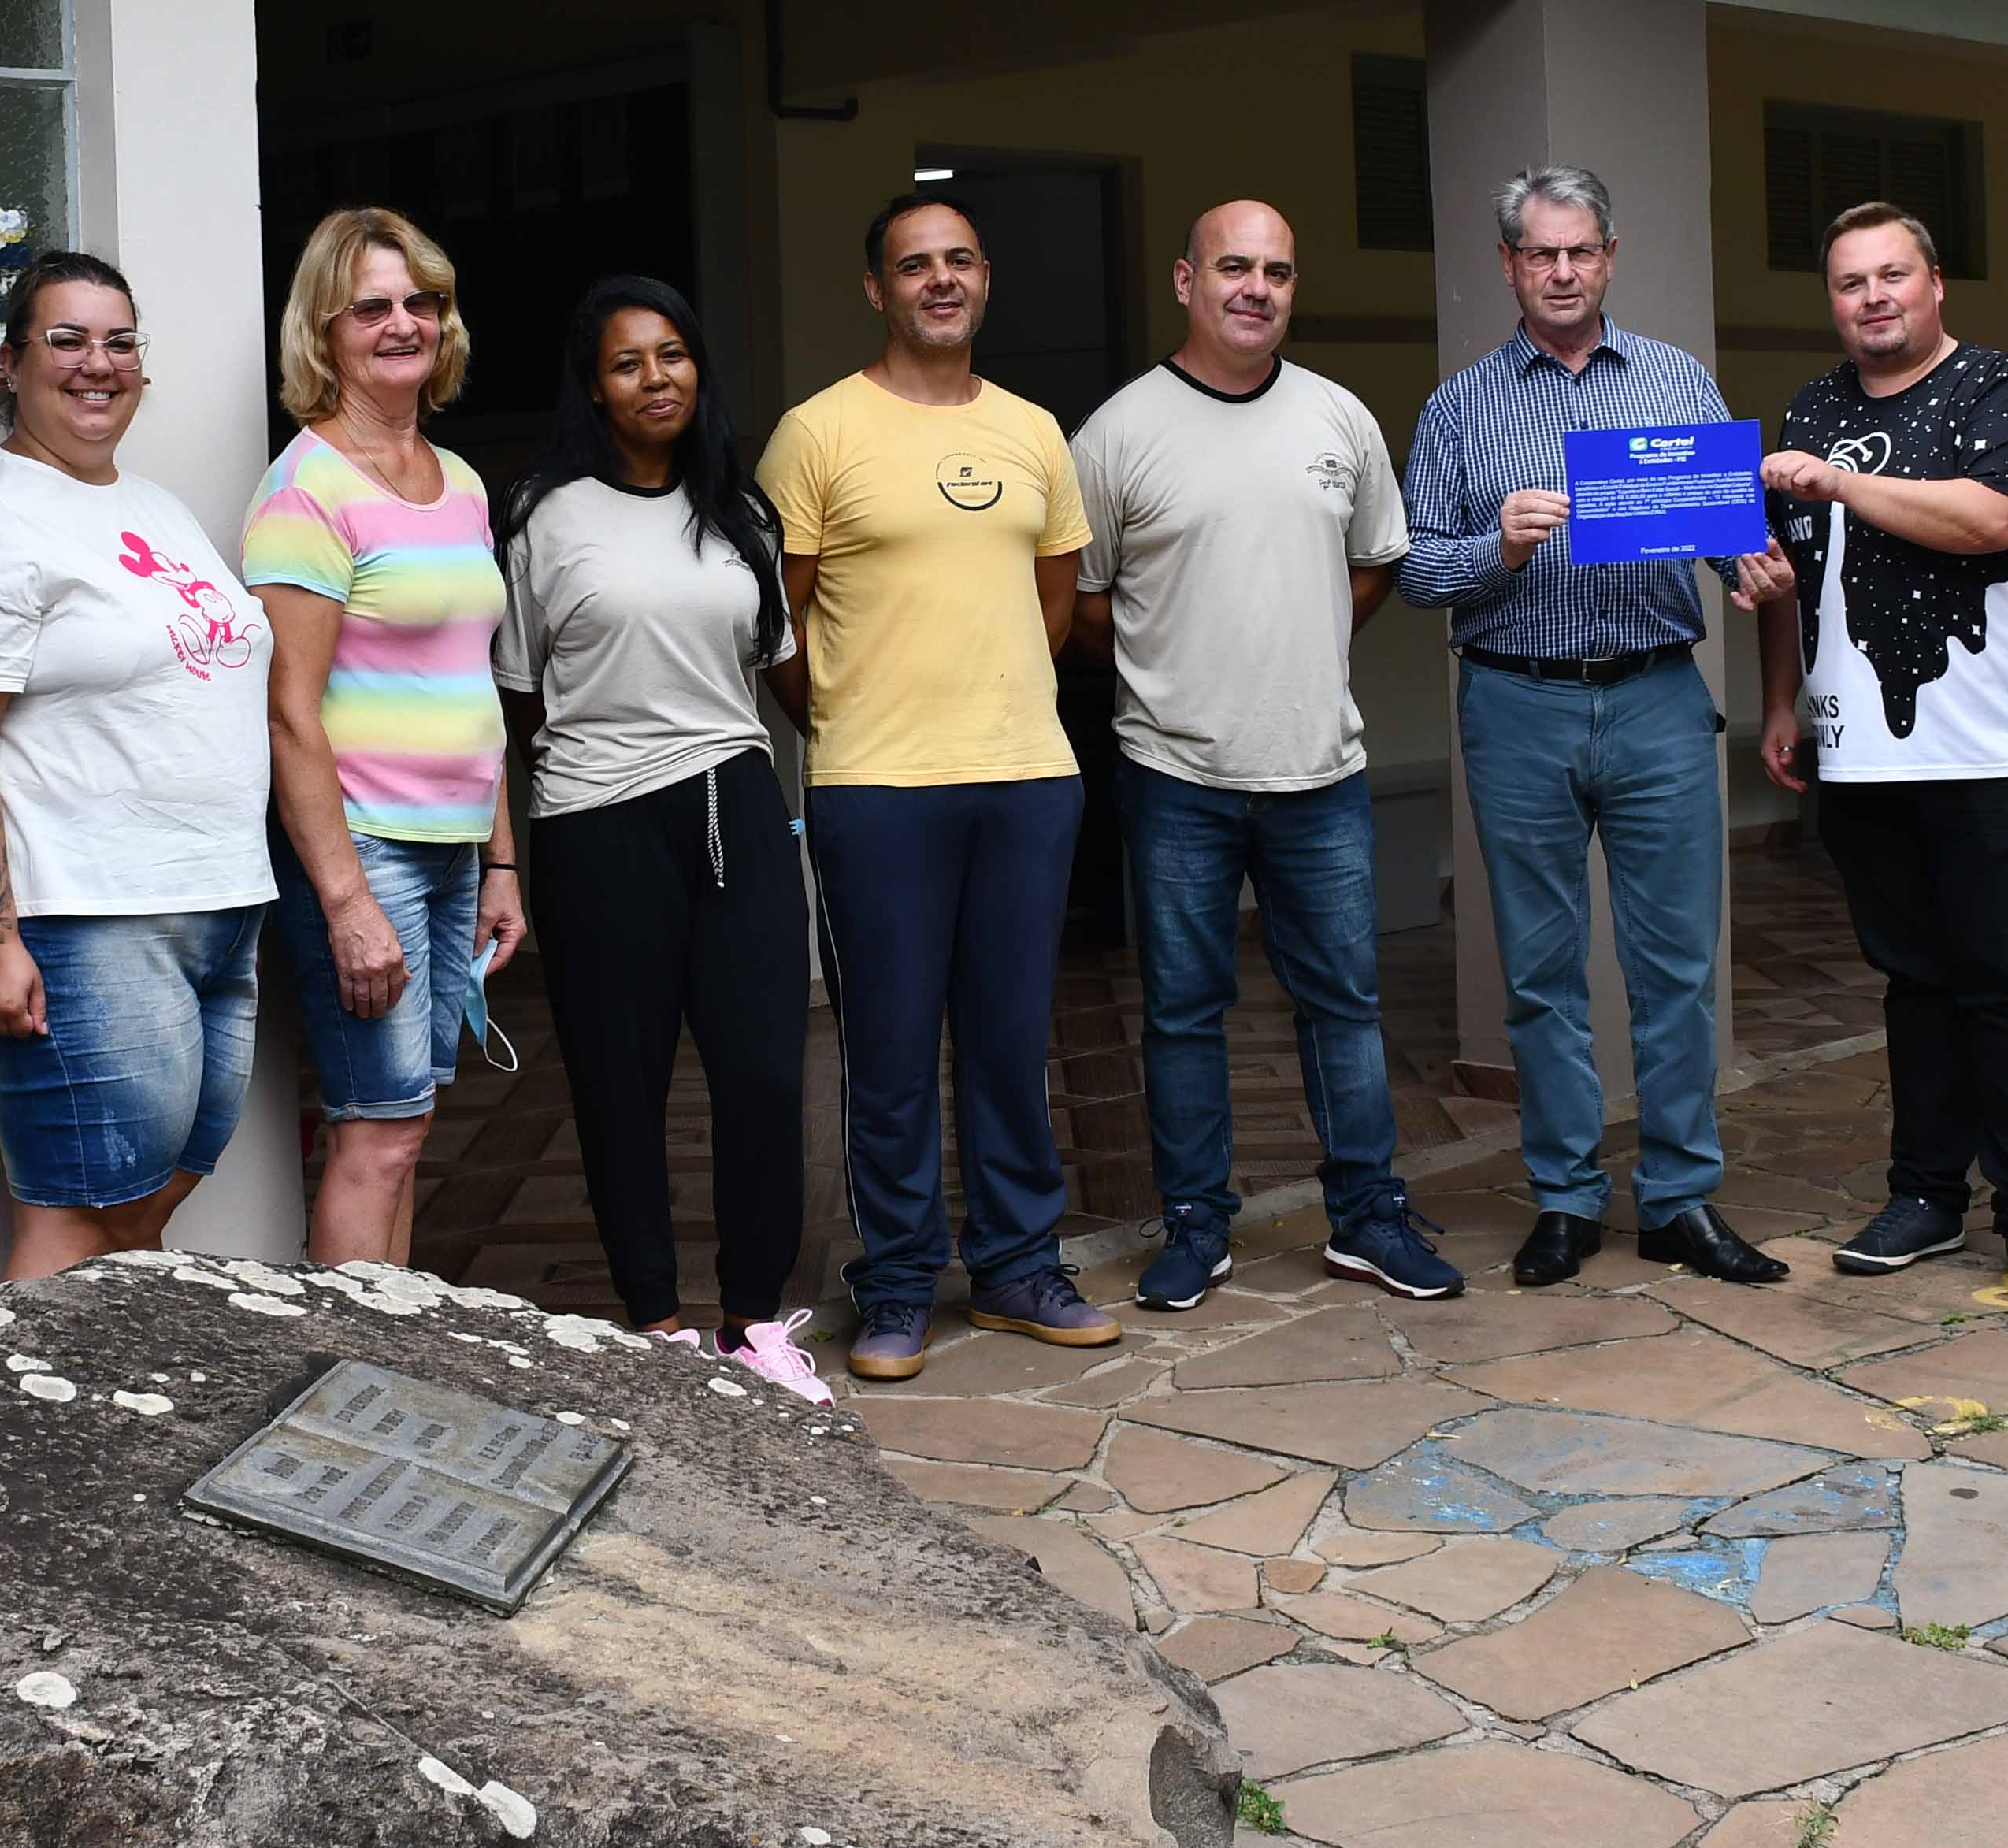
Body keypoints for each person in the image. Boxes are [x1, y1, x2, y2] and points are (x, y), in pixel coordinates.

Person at [1398, 165, 1798, 1290]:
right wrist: (1498, 548)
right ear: (1510, 266)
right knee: (1539, 971)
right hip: (1516, 701)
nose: (1563, 272)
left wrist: (1752, 571)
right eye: (1540, 254)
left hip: (1659, 698)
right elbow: (1419, 572)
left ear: (1610, 256)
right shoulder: (1459, 408)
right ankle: (1566, 1200)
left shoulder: (1677, 383)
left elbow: (1727, 535)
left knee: (1678, 967)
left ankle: (1679, 1200)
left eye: (1581, 252)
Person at [1074, 200, 1458, 1311]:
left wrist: (1302, 640)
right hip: (1174, 774)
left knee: (1343, 1003)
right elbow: (1085, 603)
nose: (1256, 288)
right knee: (1183, 1009)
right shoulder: (1117, 432)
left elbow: (1377, 563)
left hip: (1320, 770)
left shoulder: (1337, 416)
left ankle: (1366, 1216)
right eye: (1233, 267)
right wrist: (1176, 664)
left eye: (1277, 272)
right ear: (1185, 280)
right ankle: (1197, 1225)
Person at [765, 189, 1117, 1379]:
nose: (940, 280)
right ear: (878, 290)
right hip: (878, 786)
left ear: (984, 278)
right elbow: (780, 627)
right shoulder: (816, 433)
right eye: (914, 265)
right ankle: (901, 1283)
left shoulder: (1033, 430)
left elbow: (1058, 599)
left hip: (1028, 778)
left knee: (1016, 1041)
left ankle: (1020, 1267)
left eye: (960, 259)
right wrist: (848, 721)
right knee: (893, 1049)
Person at [493, 277, 830, 1402]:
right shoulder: (543, 511)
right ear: (595, 384)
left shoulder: (743, 511)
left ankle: (753, 1323)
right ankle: (657, 1323)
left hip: (733, 805)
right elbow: (522, 694)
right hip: (596, 822)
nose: (656, 378)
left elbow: (783, 670)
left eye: (674, 355)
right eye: (629, 361)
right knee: (619, 1085)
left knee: (760, 1075)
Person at [1749, 202, 2008, 1305]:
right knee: (1913, 984)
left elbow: (1992, 521)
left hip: (1992, 749)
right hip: (1862, 756)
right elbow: (1788, 572)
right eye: (1851, 283)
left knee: (2005, 981)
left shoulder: (1999, 388)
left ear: (1935, 282)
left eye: (1893, 275)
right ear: (1833, 302)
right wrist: (1779, 699)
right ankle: (1927, 1195)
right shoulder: (1811, 407)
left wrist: (1840, 481)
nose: (1874, 297)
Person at [0, 251, 275, 1282]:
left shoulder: (155, 508)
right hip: (87, 919)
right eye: (69, 340)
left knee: (136, 1216)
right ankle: (22, 1437)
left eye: (120, 342)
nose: (99, 364)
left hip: (217, 906)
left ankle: (94, 1434)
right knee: (78, 1222)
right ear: (12, 363)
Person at [246, 208, 524, 1268]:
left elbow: (474, 688)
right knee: (378, 1128)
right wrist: (348, 900)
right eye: (373, 307)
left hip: (450, 849)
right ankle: (343, 1401)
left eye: (423, 302)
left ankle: (395, 1363)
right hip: (364, 850)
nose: (403, 323)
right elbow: (287, 712)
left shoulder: (458, 482)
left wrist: (497, 858)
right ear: (326, 330)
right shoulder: (306, 489)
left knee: (405, 1133)